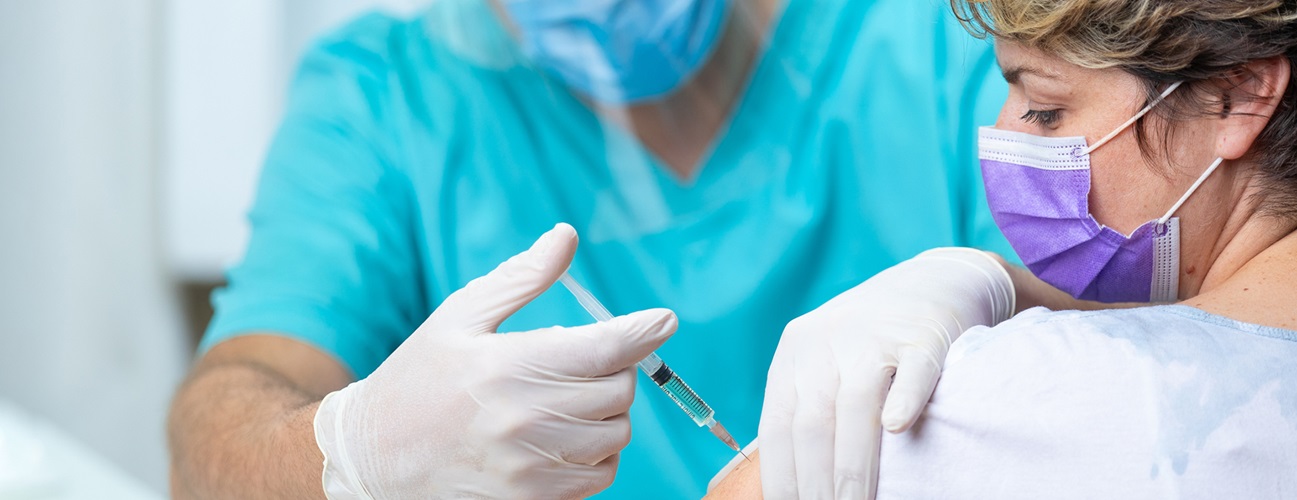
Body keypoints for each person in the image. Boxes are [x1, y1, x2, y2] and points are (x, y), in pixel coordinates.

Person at [166, 0, 1028, 498]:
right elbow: (219, 421)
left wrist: (992, 287)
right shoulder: (392, 93)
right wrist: (354, 450)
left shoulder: (944, 32)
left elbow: (1132, 333)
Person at [720, 0, 1297, 497]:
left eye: (1047, 110)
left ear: (1237, 97)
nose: (1006, 138)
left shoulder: (995, 402)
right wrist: (1011, 285)